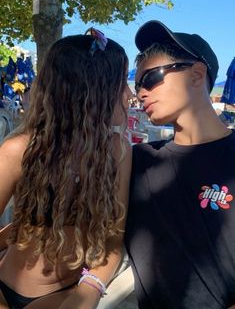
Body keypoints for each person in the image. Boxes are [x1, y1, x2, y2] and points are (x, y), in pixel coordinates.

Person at [0, 28, 132, 309]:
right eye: (122, 83)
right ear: (93, 91)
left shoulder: (118, 152)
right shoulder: (18, 150)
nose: (130, 93)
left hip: (66, 294)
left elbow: (113, 239)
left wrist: (91, 289)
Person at [125, 20, 235, 309]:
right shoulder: (137, 161)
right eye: (137, 85)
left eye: (150, 78)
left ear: (197, 75)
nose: (140, 92)